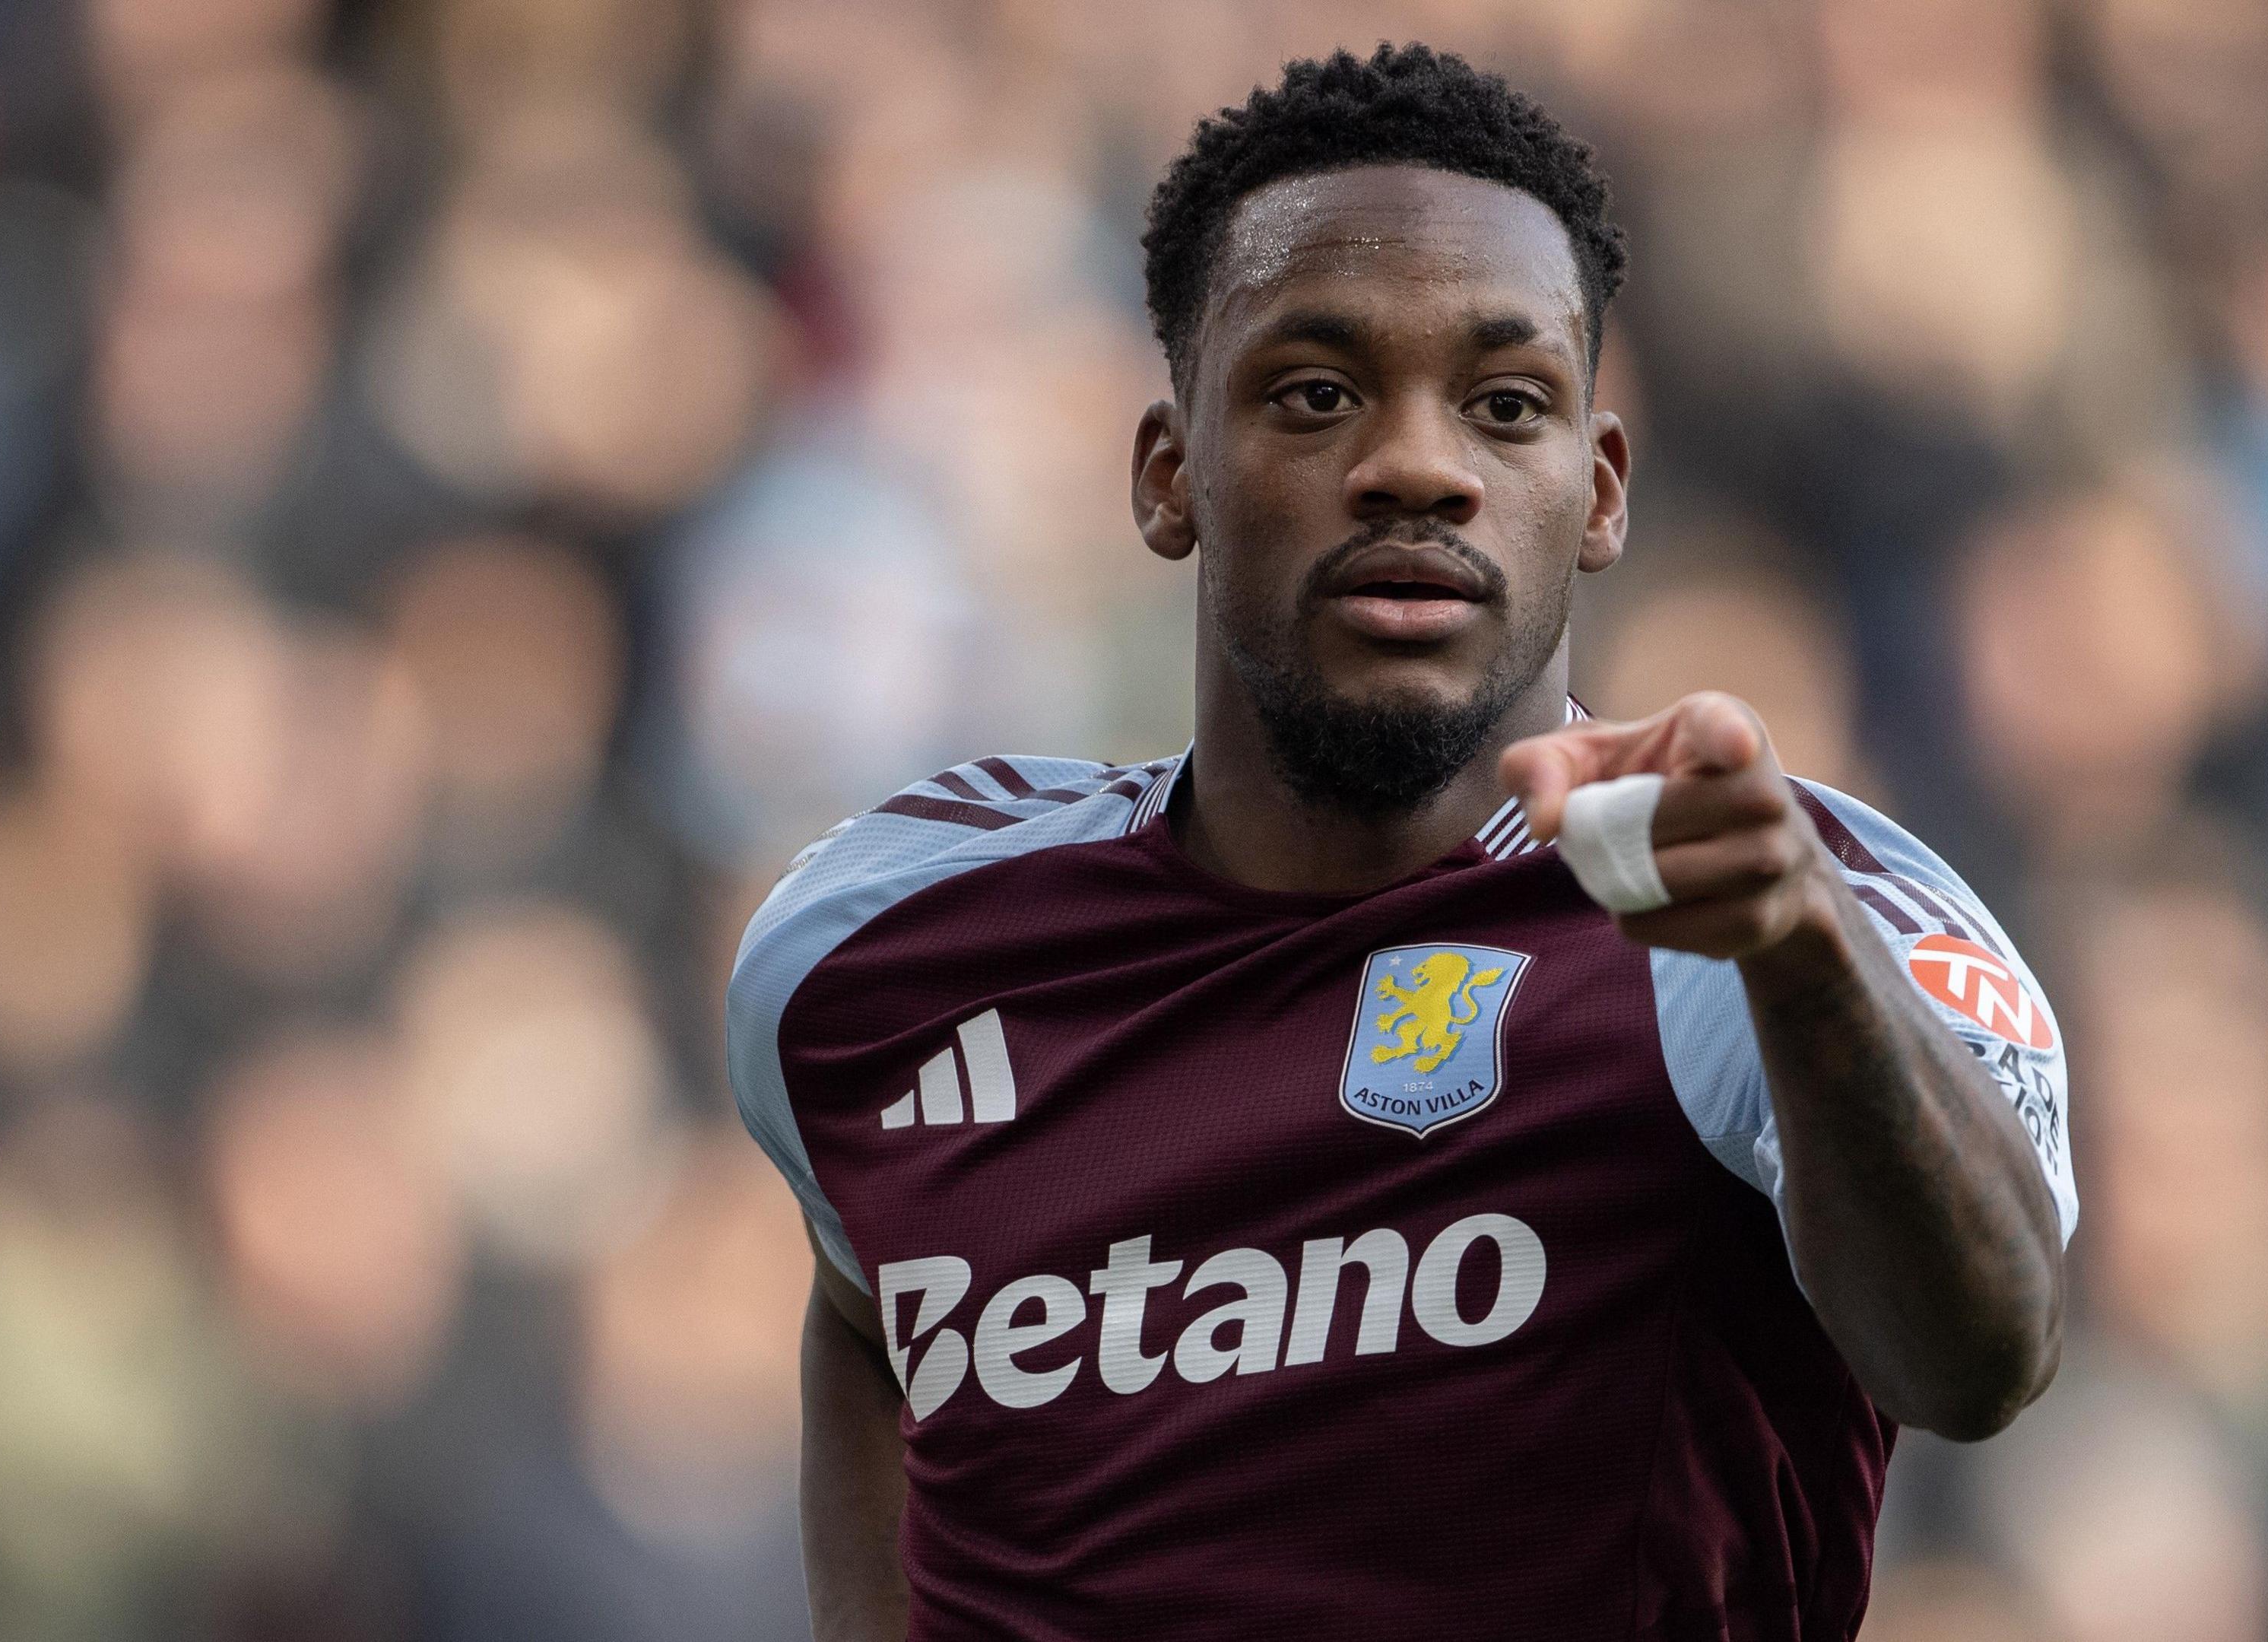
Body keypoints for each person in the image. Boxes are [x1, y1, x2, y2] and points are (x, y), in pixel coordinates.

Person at [728, 43, 2074, 1641]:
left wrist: (1808, 960)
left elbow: (1978, 1358)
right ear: (1170, 476)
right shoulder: (880, 949)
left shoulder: (1768, 918)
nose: (1419, 466)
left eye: (1507, 406)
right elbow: (863, 1310)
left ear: (1598, 490)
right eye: (1316, 393)